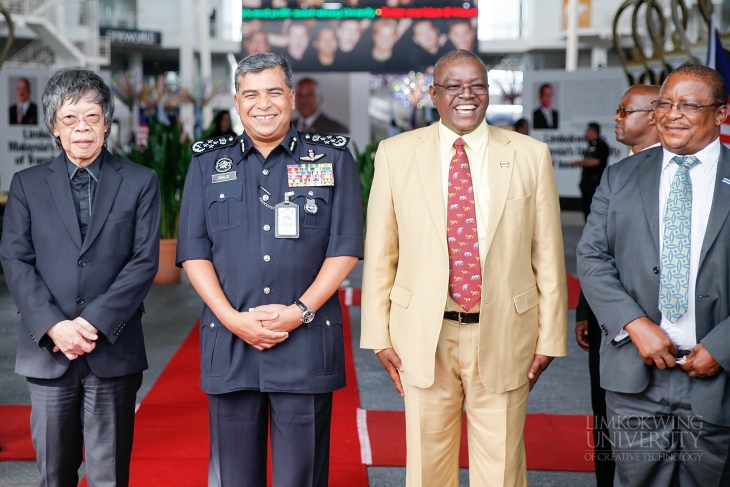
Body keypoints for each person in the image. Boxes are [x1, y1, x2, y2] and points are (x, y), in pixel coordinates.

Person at [361, 49, 567, 487]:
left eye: (476, 85)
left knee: (502, 469)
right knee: (426, 466)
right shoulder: (395, 154)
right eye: (453, 86)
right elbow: (381, 253)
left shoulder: (530, 155)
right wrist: (378, 335)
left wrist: (550, 337)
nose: (466, 95)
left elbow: (547, 255)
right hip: (423, 333)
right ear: (433, 95)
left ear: (488, 93)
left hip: (505, 330)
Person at [176, 52, 363, 486]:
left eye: (274, 92)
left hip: (306, 338)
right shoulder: (207, 163)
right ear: (238, 103)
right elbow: (193, 250)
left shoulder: (332, 159)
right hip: (231, 340)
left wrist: (299, 311)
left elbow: (345, 247)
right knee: (235, 476)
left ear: (293, 98)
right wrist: (232, 319)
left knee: (301, 476)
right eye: (251, 94)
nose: (264, 104)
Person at [0, 68, 160, 486]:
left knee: (109, 474)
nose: (82, 129)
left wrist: (92, 324)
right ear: (54, 126)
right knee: (54, 472)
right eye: (70, 119)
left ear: (107, 122)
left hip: (113, 347)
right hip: (48, 350)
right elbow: (15, 259)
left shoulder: (141, 182)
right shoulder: (27, 185)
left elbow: (144, 261)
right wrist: (55, 326)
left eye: (92, 117)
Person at [577, 64, 730, 487]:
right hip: (634, 375)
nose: (671, 114)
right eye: (664, 103)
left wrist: (722, 345)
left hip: (718, 376)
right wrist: (634, 323)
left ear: (721, 113)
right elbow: (591, 256)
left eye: (689, 105)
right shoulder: (621, 176)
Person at [575, 84, 660, 487]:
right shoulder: (616, 174)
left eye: (626, 111)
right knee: (605, 414)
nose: (617, 118)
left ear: (656, 116)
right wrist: (583, 310)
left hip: (665, 327)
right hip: (609, 322)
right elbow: (594, 251)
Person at [571, 122, 609, 219]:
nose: (585, 133)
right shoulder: (590, 146)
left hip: (595, 183)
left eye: (587, 130)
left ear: (593, 131)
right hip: (587, 183)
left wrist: (579, 162)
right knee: (587, 207)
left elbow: (595, 161)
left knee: (594, 208)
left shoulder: (601, 145)